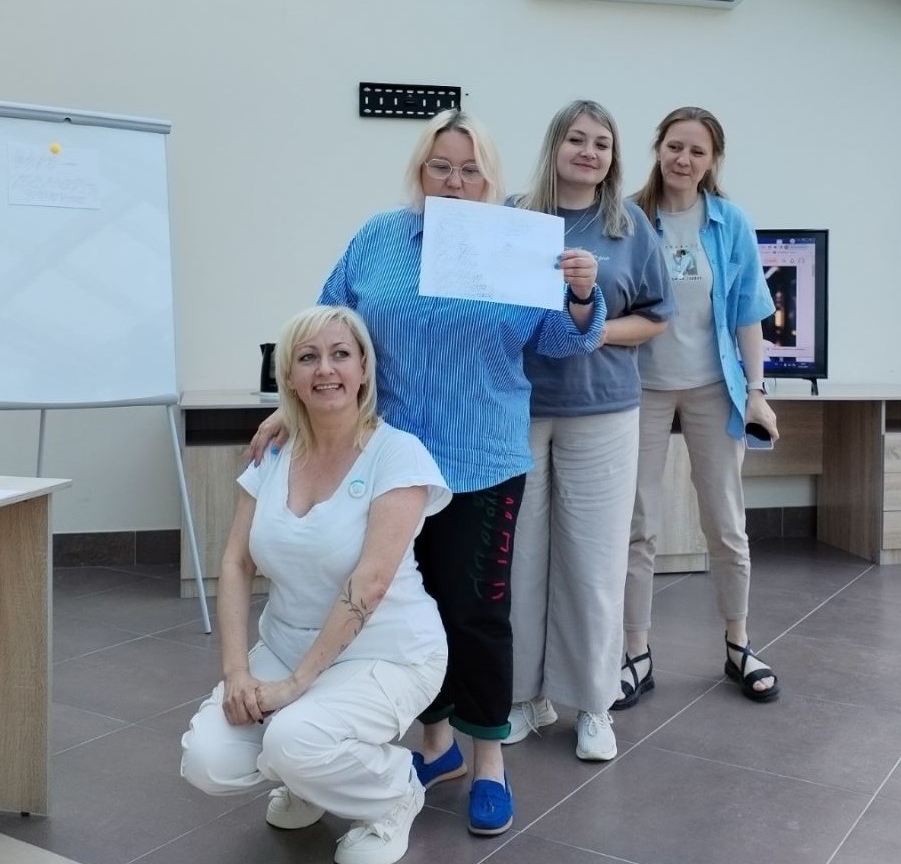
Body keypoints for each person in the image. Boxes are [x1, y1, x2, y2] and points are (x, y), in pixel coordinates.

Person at [247, 108, 605, 836]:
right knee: (409, 609)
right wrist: (291, 405)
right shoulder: (379, 237)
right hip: (388, 460)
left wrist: (578, 294)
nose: (454, 180)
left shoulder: (518, 242)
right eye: (440, 166)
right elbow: (329, 326)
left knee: (477, 612)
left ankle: (489, 762)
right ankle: (437, 747)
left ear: (490, 178)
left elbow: (564, 343)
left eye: (470, 169)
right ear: (419, 171)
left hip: (483, 460)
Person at [181, 305, 452, 864]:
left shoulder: (397, 454)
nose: (325, 369)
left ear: (363, 370)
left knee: (292, 739)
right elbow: (236, 562)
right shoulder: (274, 455)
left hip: (389, 652)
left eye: (340, 355)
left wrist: (294, 687)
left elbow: (371, 582)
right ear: (289, 377)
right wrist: (237, 674)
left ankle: (395, 792)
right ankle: (309, 780)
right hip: (286, 644)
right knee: (209, 761)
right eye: (308, 358)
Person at [503, 100, 673, 760]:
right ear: (555, 146)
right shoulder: (515, 216)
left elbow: (655, 316)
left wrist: (592, 331)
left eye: (601, 143)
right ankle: (524, 696)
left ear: (613, 157)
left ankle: (594, 704)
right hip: (518, 409)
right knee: (520, 559)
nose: (588, 151)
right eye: (576, 139)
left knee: (594, 563)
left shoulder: (629, 226)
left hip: (603, 410)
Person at [614, 106, 781, 711]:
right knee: (638, 525)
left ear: (713, 162)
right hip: (640, 387)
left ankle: (739, 645)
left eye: (697, 152)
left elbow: (748, 312)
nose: (683, 160)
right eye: (674, 147)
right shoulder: (627, 216)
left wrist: (757, 391)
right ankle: (636, 653)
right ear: (658, 148)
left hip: (714, 384)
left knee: (727, 525)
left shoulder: (729, 222)